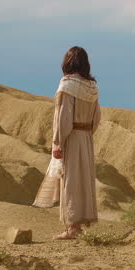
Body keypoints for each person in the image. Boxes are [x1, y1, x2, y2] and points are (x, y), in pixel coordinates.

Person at [50, 46, 101, 240]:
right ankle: (77, 226)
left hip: (72, 137)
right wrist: (86, 133)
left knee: (70, 180)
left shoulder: (67, 85)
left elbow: (64, 117)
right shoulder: (92, 87)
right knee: (83, 181)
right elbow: (97, 117)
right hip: (86, 137)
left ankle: (72, 228)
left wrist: (57, 142)